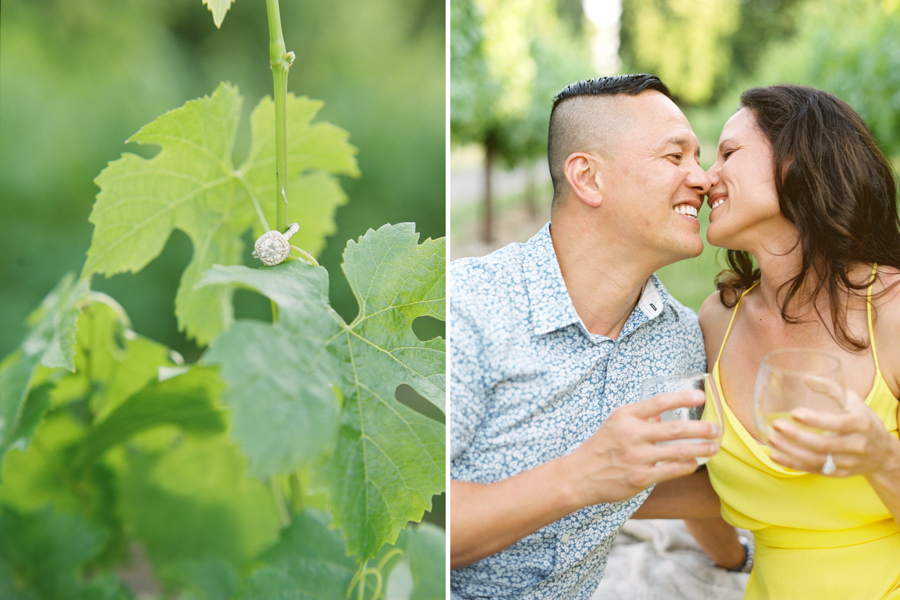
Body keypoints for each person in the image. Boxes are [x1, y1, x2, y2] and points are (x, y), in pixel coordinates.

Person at [449, 74, 727, 600]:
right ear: (588, 178)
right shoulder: (470, 308)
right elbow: (420, 524)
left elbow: (675, 479)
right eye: (675, 157)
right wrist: (582, 476)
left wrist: (735, 560)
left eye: (700, 157)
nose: (705, 178)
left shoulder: (680, 341)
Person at [697, 84, 900, 598]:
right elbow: (691, 486)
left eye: (729, 153)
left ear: (795, 160)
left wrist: (883, 458)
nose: (705, 177)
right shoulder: (717, 321)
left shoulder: (895, 311)